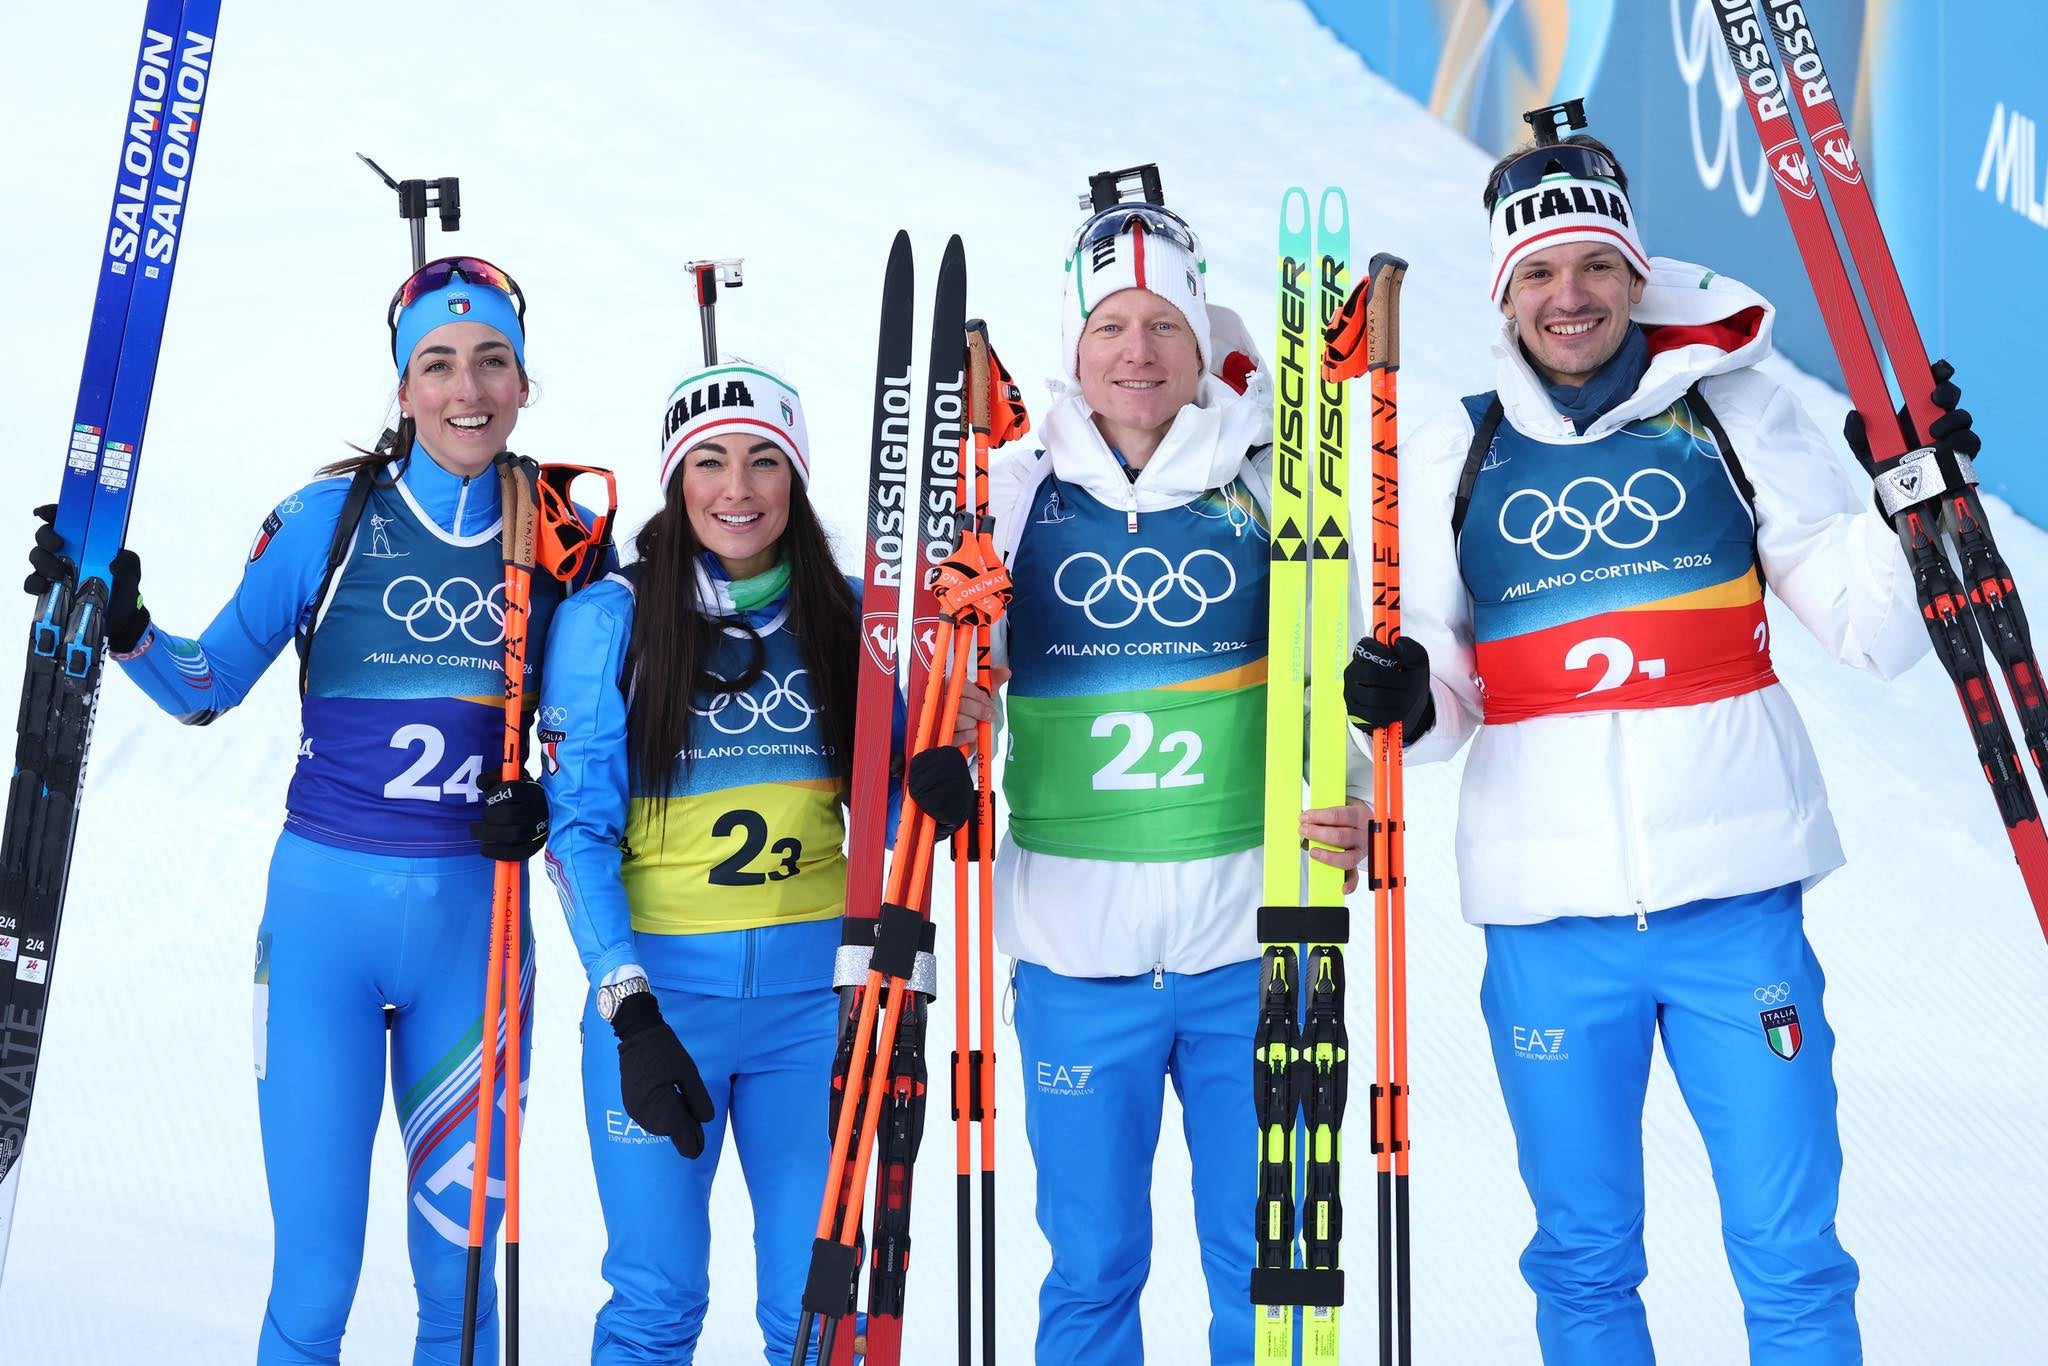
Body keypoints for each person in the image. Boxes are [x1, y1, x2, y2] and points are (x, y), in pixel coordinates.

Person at [1343, 125, 1979, 1365]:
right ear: (1501, 291)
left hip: (1734, 913)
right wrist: (1403, 695)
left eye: (1591, 267)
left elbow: (1869, 633)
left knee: (1789, 1253)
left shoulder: (1728, 411)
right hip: (1545, 929)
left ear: (1635, 277)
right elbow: (1436, 703)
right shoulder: (1452, 452)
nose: (1565, 297)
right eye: (1536, 273)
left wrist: (1914, 501)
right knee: (1582, 1259)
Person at [25, 257, 567, 1362]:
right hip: (323, 925)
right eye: (438, 365)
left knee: (459, 1290)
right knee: (315, 1279)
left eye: (491, 361)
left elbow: (600, 727)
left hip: (480, 938)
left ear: (523, 382)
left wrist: (547, 800)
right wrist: (124, 623)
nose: (467, 388)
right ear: (404, 388)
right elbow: (204, 684)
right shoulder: (327, 521)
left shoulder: (562, 536)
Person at [983, 201, 1370, 1363]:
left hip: (1250, 956)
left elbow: (1341, 678)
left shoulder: (1274, 486)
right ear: (1073, 345)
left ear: (1204, 342)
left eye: (1163, 324)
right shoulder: (1011, 497)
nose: (1136, 353)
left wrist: (1351, 791)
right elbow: (952, 684)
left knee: (1259, 1269)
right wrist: (947, 730)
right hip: (1072, 959)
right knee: (1091, 1268)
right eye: (1109, 325)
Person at [537, 359, 960, 1364]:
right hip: (659, 1006)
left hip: (816, 1008)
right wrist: (626, 1002)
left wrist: (933, 790)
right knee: (653, 1300)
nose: (738, 488)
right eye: (711, 461)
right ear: (676, 480)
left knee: (815, 1315)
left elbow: (889, 806)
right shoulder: (613, 619)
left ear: (796, 478)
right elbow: (578, 832)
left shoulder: (852, 617)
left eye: (765, 461)